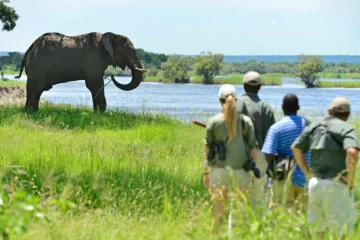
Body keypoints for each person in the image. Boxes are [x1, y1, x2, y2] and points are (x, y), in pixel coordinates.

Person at [291, 96, 359, 239]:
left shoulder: (314, 126)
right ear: (347, 115)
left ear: (329, 111)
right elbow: (352, 152)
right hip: (337, 184)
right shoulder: (347, 128)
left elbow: (296, 148)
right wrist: (350, 179)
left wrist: (307, 173)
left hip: (315, 184)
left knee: (318, 230)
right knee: (341, 231)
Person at [203, 84, 259, 234]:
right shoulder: (246, 121)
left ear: (219, 100)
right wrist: (253, 171)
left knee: (218, 213)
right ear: (236, 100)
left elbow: (207, 150)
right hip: (242, 171)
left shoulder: (214, 122)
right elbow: (253, 148)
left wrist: (206, 172)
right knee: (238, 215)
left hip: (219, 171)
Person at [261, 94, 310, 211]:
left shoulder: (276, 128)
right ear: (298, 108)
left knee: (280, 211)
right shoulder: (308, 126)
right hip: (304, 178)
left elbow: (268, 154)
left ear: (282, 108)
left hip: (282, 178)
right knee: (301, 215)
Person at [236, 71, 276, 211]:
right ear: (259, 87)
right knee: (259, 199)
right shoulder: (266, 108)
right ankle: (258, 230)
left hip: (238, 155)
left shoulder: (236, 104)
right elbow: (272, 139)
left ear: (244, 85)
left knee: (239, 199)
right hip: (261, 157)